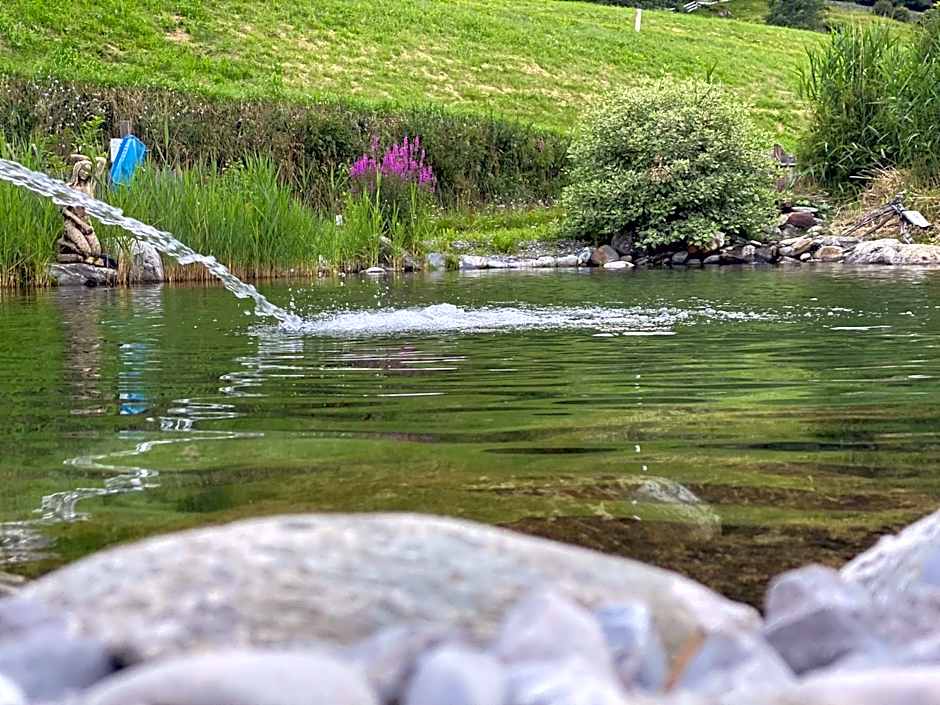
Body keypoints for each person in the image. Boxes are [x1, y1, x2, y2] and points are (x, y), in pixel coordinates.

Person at [58, 155, 116, 269]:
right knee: (86, 251)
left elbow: (102, 161)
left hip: (87, 224)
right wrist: (81, 224)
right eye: (83, 170)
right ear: (77, 170)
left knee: (96, 252)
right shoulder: (69, 188)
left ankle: (78, 253)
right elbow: (63, 210)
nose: (85, 173)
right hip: (73, 225)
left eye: (88, 171)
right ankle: (66, 244)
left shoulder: (89, 186)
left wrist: (85, 158)